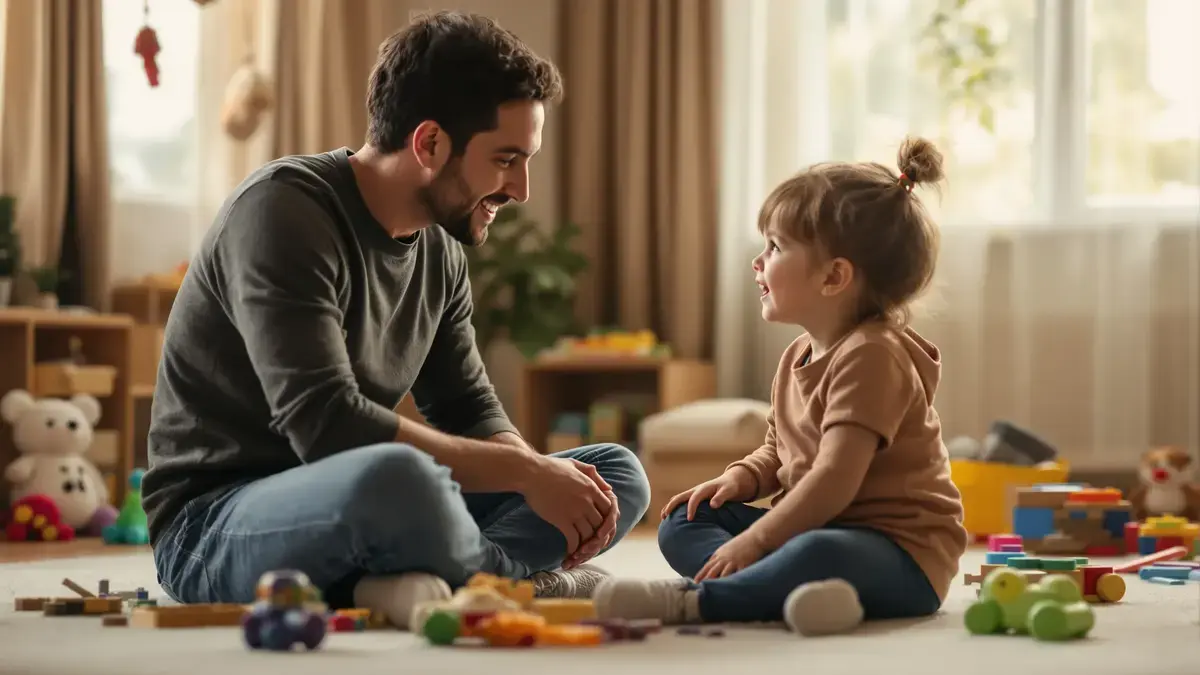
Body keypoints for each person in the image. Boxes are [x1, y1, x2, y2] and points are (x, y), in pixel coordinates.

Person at [142, 11, 650, 627]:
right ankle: (513, 582)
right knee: (399, 481)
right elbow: (324, 423)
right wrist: (523, 472)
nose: (521, 190)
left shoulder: (439, 250)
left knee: (610, 475)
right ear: (430, 143)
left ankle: (429, 576)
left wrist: (539, 475)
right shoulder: (283, 212)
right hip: (216, 524)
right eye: (507, 159)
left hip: (364, 501)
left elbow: (468, 407)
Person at [591, 137, 967, 636]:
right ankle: (796, 593)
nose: (758, 260)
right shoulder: (797, 356)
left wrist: (761, 540)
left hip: (899, 556)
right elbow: (780, 450)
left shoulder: (874, 354)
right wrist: (740, 480)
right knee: (685, 519)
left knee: (817, 550)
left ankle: (701, 601)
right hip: (817, 530)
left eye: (775, 247)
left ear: (834, 277)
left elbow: (834, 478)